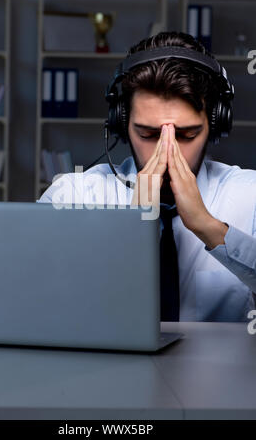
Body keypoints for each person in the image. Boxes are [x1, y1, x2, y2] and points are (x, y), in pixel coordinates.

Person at [37, 31, 256, 323]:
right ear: (121, 125)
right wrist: (133, 233)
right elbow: (39, 305)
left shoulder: (250, 196)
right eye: (148, 134)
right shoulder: (72, 197)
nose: (167, 151)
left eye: (187, 134)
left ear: (215, 126)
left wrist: (210, 229)